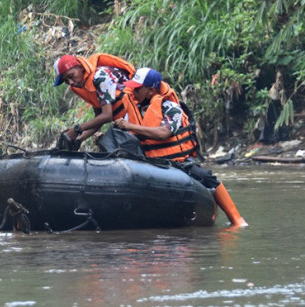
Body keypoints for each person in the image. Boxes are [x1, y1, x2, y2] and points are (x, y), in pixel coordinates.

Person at [115, 67, 248, 228]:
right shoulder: (136, 109)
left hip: (178, 162)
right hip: (150, 163)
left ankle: (237, 220)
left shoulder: (171, 108)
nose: (133, 92)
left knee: (209, 179)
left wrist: (130, 126)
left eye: (137, 88)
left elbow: (163, 133)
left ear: (150, 90)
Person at [53, 52, 136, 146]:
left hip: (138, 116)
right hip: (125, 121)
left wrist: (77, 129)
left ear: (80, 67)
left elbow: (107, 116)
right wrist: (79, 139)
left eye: (71, 76)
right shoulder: (86, 86)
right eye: (66, 81)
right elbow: (99, 118)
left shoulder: (100, 77)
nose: (71, 82)